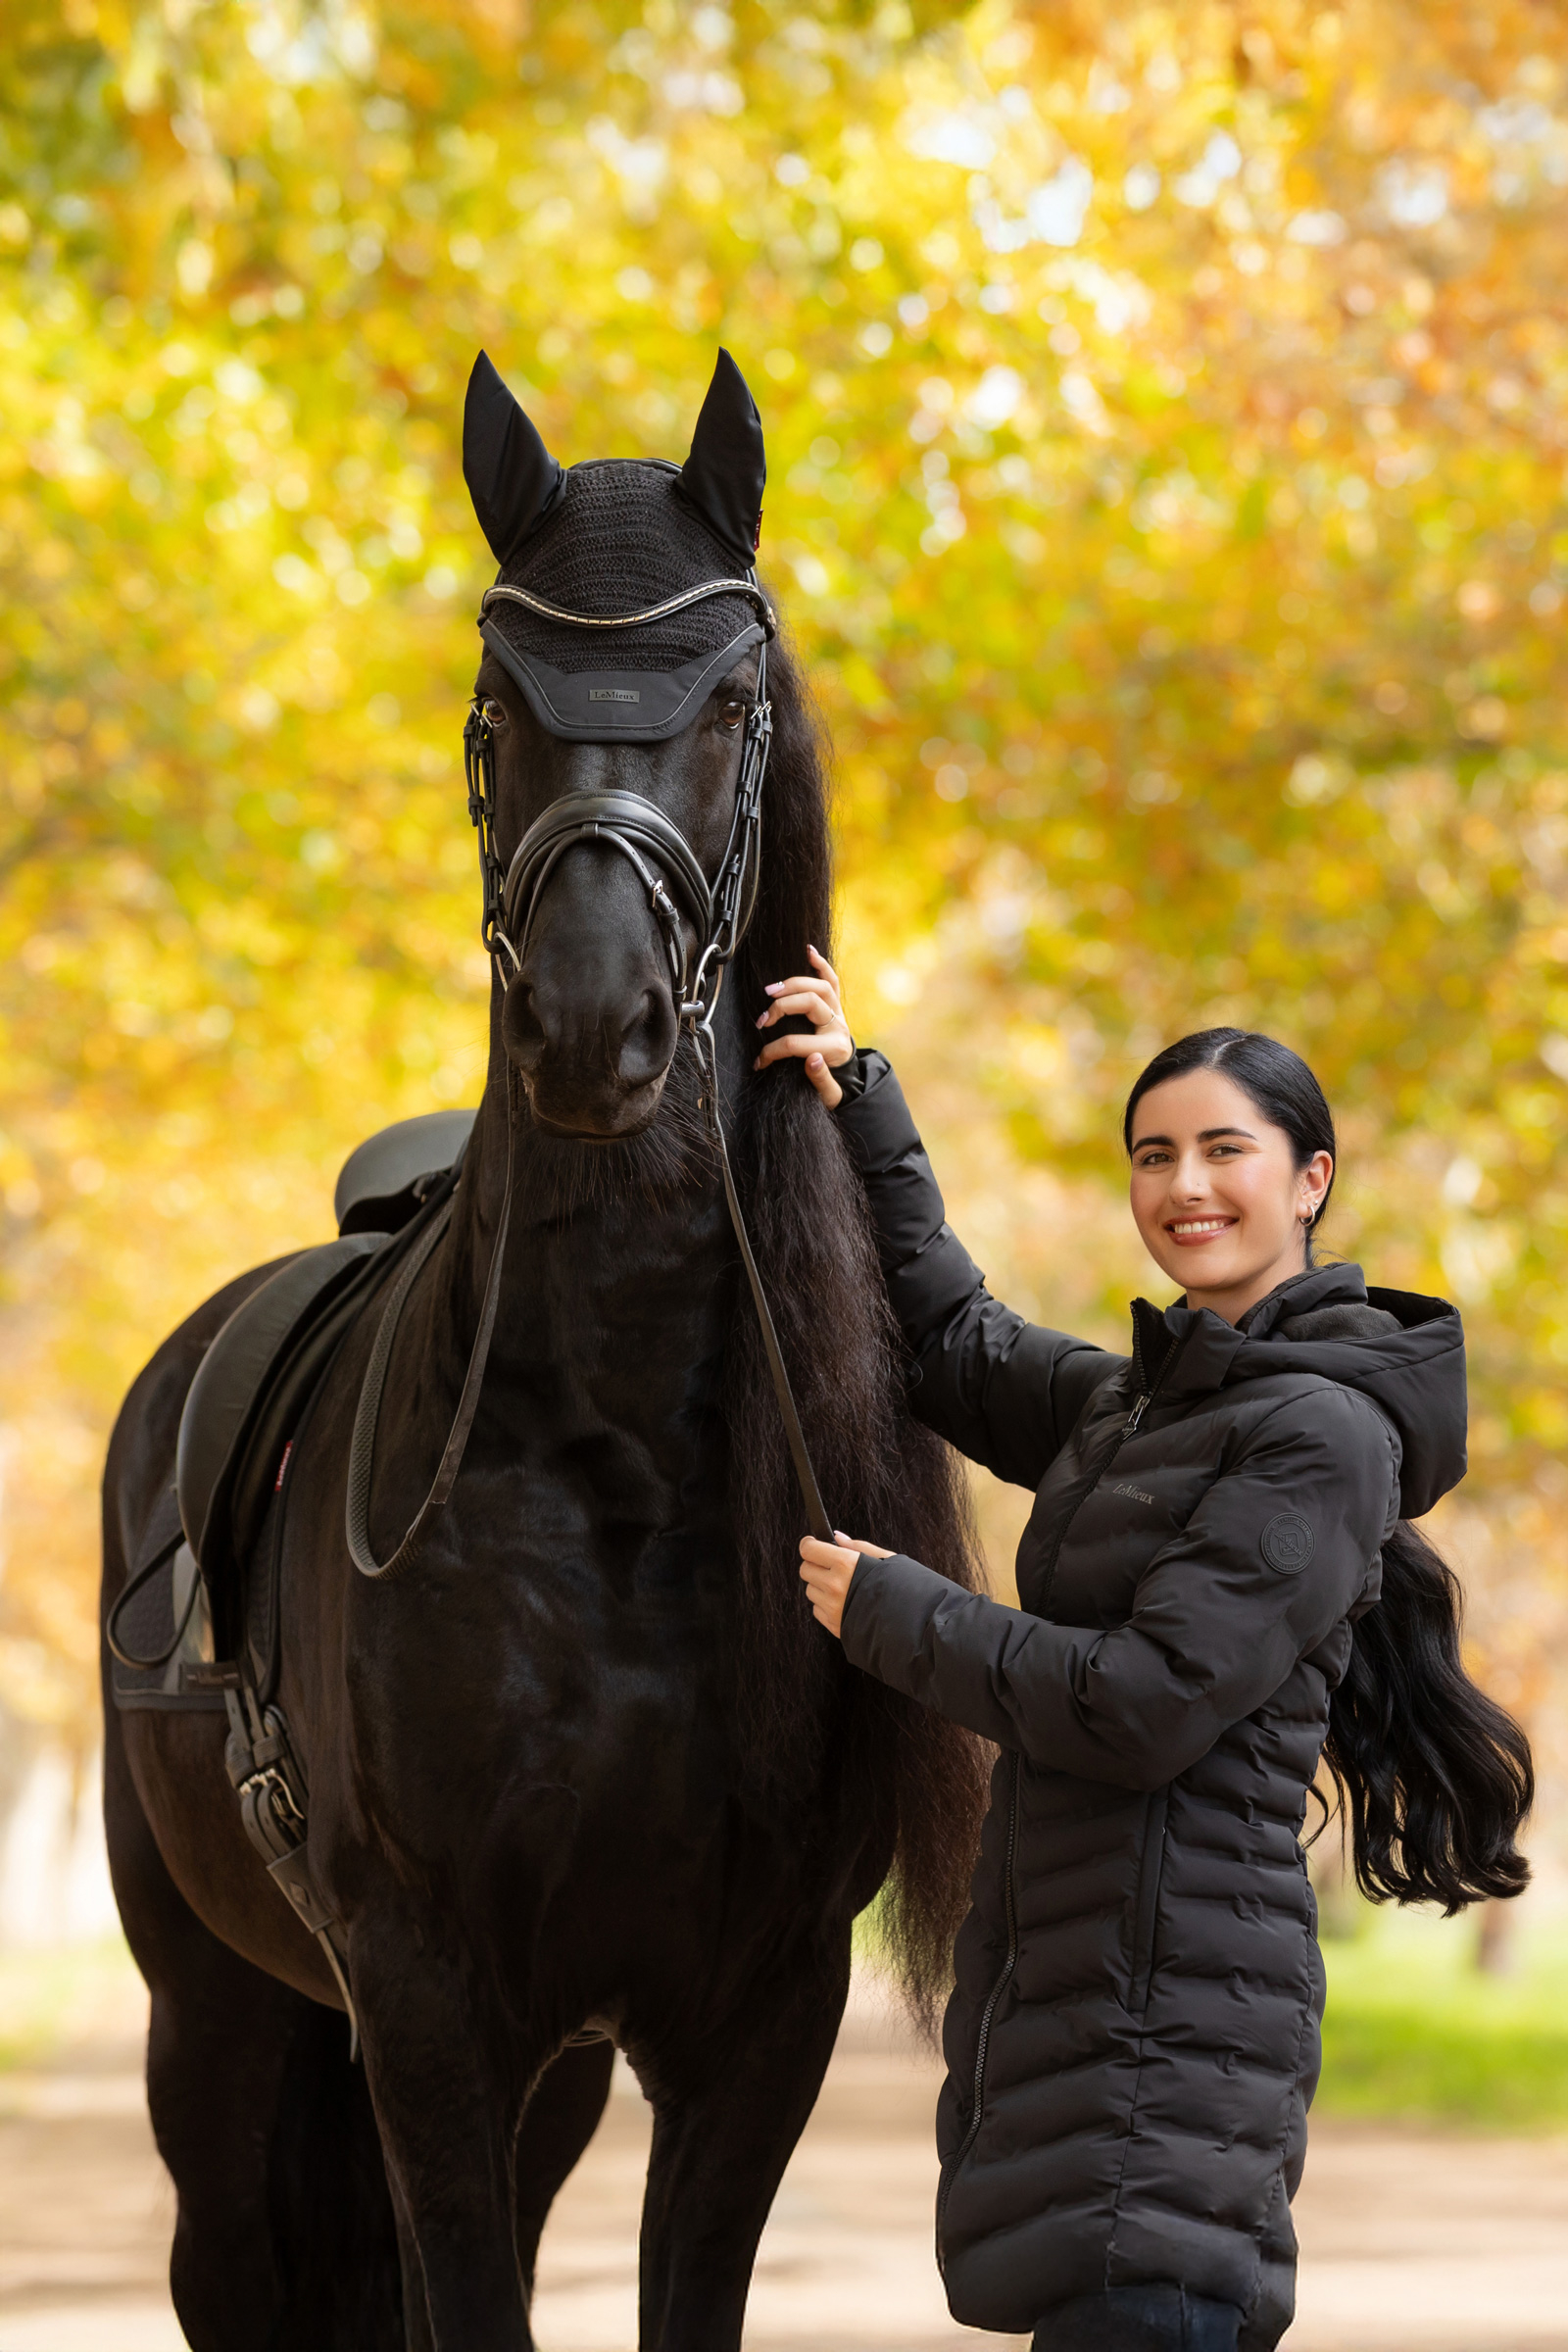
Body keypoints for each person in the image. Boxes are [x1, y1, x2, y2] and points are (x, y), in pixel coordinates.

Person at [756, 952, 1533, 2352]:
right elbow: (947, 1336)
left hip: (1169, 2039)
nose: (1185, 1187)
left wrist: (899, 1611)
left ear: (1311, 1180)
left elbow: (1145, 1705)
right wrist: (856, 1095)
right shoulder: (1140, 1410)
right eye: (1154, 1155)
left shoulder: (1319, 1436)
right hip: (1091, 2008)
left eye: (1226, 1150)